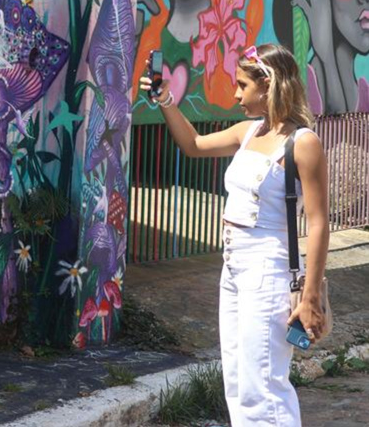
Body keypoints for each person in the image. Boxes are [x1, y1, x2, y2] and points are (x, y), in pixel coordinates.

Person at [140, 43, 330, 426]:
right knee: (239, 379)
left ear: (269, 85)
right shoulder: (247, 132)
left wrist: (309, 296)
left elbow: (318, 223)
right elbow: (192, 145)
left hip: (269, 268)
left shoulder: (302, 142)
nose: (236, 94)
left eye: (243, 85)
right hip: (234, 267)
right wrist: (165, 100)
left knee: (264, 381)